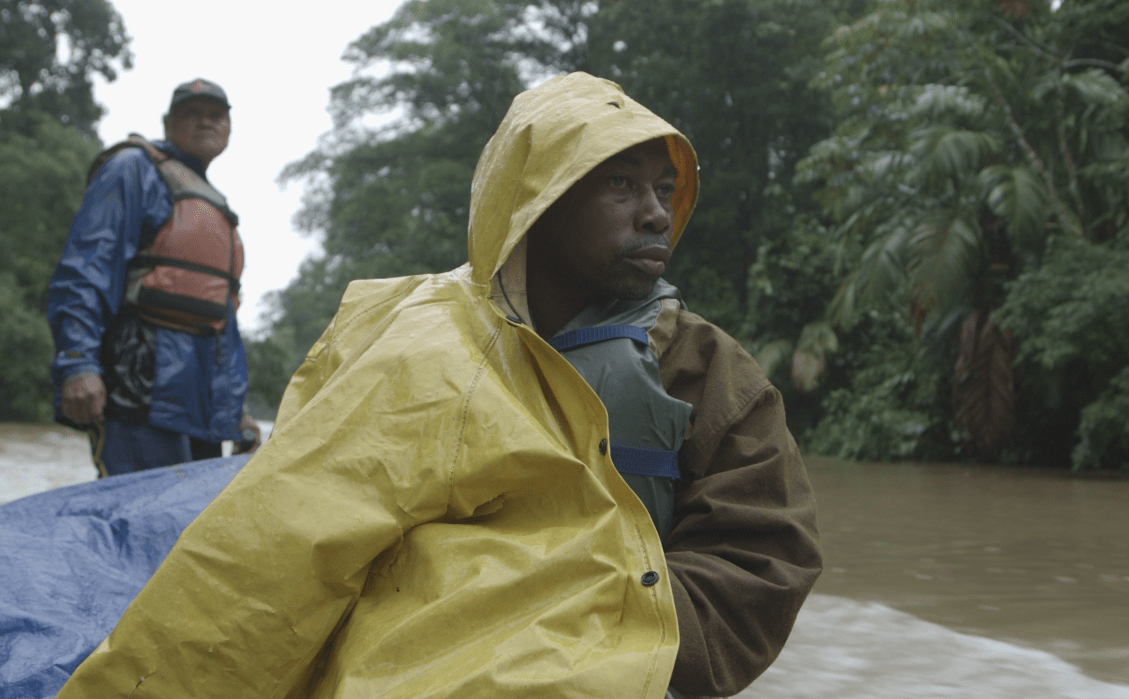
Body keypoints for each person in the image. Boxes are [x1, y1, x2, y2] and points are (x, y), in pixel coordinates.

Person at [54, 72, 820, 698]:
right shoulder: (415, 336)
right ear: (541, 204)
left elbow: (762, 554)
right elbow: (279, 548)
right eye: (620, 185)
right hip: (402, 659)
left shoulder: (705, 367)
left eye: (663, 188)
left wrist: (581, 618)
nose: (655, 212)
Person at [47, 78, 260, 477]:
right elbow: (86, 267)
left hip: (201, 404)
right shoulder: (133, 169)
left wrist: (236, 412)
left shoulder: (215, 206)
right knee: (137, 522)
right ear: (168, 125)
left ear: (229, 129)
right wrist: (77, 361)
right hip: (138, 386)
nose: (205, 123)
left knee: (190, 529)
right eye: (191, 115)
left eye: (216, 116)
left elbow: (222, 325)